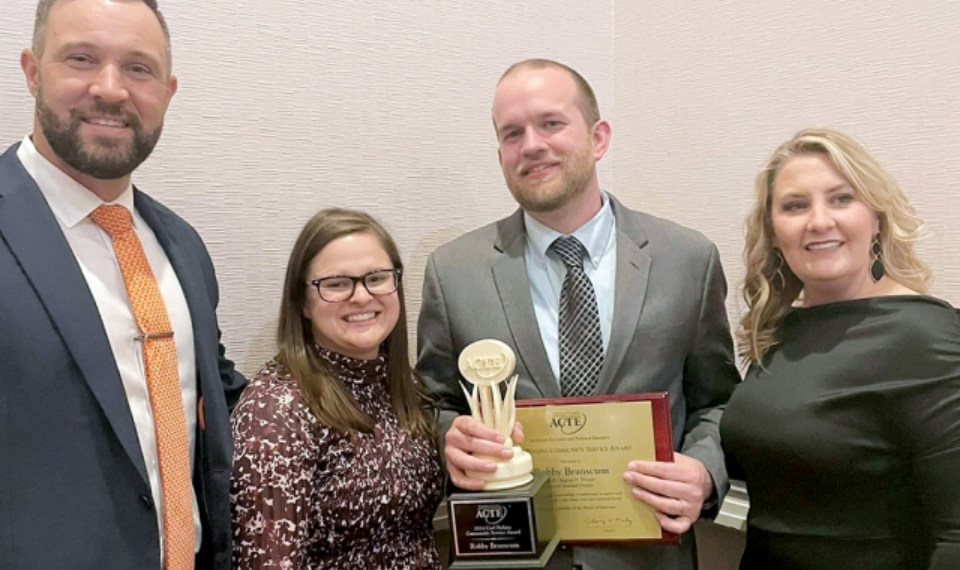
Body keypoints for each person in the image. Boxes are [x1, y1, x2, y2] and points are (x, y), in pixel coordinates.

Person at [416, 58, 741, 570]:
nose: (531, 146)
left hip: (648, 558)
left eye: (551, 123)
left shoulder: (688, 259)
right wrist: (448, 440)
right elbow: (429, 404)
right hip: (509, 557)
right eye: (511, 133)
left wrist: (703, 471)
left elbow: (718, 403)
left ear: (598, 137)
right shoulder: (452, 272)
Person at [0, 1, 246, 569]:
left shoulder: (181, 246)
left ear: (168, 89)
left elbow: (216, 390)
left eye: (138, 68)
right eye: (81, 59)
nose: (111, 89)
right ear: (32, 72)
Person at [721, 127, 960, 569]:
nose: (819, 221)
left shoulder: (928, 337)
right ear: (774, 233)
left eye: (841, 199)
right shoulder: (780, 331)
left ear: (877, 217)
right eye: (795, 205)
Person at [231, 208, 444, 569]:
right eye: (336, 284)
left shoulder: (404, 387)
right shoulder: (276, 410)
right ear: (303, 303)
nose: (361, 297)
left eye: (376, 278)